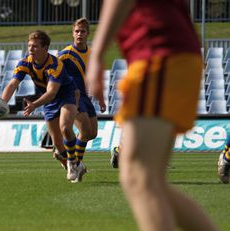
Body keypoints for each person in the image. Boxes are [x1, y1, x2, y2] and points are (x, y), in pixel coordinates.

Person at [87, 1, 217, 230]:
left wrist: (96, 54)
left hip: (159, 53)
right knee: (149, 180)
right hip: (174, 53)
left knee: (138, 176)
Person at [1, 30, 84, 182]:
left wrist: (34, 105)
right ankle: (77, 165)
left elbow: (52, 92)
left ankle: (73, 163)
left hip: (66, 94)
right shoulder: (24, 63)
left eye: (35, 46)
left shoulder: (55, 64)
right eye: (29, 46)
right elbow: (13, 84)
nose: (31, 49)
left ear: (45, 48)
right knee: (58, 146)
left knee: (65, 128)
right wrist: (2, 102)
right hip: (48, 100)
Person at [56, 18, 106, 177]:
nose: (79, 34)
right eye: (77, 31)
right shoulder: (65, 55)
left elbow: (96, 76)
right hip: (71, 97)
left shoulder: (92, 54)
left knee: (92, 133)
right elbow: (52, 74)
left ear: (88, 34)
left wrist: (102, 99)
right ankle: (75, 164)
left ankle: (64, 152)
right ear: (72, 33)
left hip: (86, 96)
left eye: (82, 31)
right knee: (84, 130)